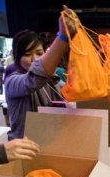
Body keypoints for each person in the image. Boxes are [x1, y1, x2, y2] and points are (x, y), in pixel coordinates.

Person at [4, 5, 78, 140]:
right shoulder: (12, 82)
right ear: (16, 57)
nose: (34, 59)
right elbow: (34, 79)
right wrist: (62, 37)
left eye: (39, 53)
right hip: (23, 149)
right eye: (27, 54)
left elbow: (72, 91)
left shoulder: (52, 80)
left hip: (48, 143)